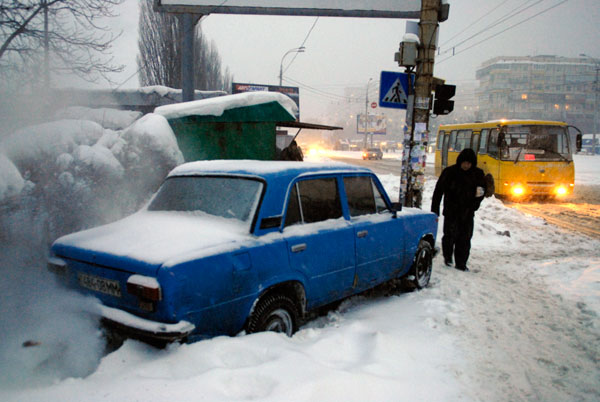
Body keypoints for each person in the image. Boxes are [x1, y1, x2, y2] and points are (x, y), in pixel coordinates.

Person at [431, 148, 486, 272]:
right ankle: (448, 257)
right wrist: (435, 210)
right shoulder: (449, 172)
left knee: (465, 238)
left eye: (469, 163)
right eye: (464, 163)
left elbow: (481, 192)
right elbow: (438, 192)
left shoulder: (477, 174)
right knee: (449, 236)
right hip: (451, 211)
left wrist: (474, 205)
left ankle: (461, 263)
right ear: (459, 161)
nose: (466, 165)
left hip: (467, 212)